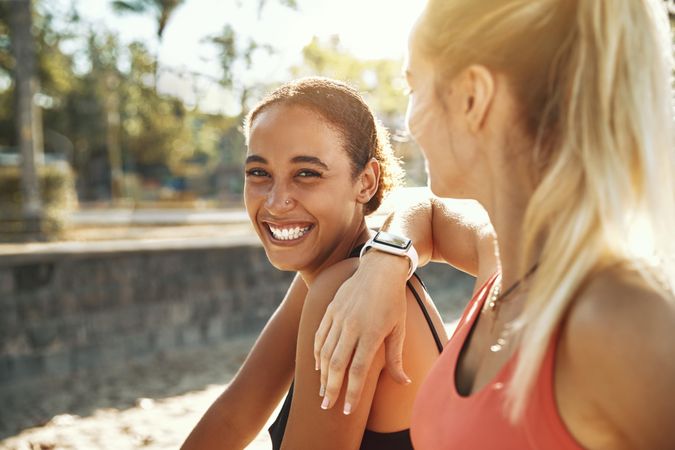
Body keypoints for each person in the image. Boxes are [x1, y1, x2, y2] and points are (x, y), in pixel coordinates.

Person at [314, 1, 675, 449]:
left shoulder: (617, 319)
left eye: (413, 89)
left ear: (472, 97)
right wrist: (383, 264)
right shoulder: (505, 264)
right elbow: (418, 207)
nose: (409, 124)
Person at [181, 77, 450, 450]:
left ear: (366, 182)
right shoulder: (335, 275)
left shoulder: (344, 287)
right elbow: (234, 416)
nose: (276, 202)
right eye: (259, 172)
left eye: (306, 173)